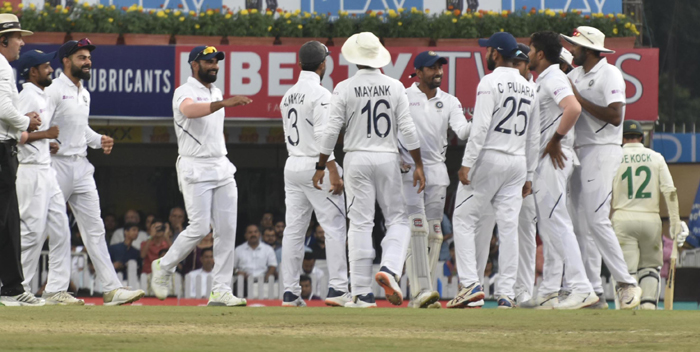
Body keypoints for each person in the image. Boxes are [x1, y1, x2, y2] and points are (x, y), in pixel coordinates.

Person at [314, 32, 425, 308]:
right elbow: (408, 130)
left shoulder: (343, 87)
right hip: (387, 157)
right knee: (398, 219)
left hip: (356, 158)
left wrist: (320, 165)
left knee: (361, 223)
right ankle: (389, 269)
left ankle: (362, 292)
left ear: (355, 58)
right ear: (379, 58)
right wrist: (419, 163)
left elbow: (330, 132)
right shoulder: (395, 86)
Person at [150, 45, 252, 307]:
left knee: (227, 231)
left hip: (221, 166)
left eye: (216, 61)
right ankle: (164, 265)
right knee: (199, 227)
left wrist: (220, 100)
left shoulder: (214, 90)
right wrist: (224, 103)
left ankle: (220, 290)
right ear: (195, 65)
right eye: (208, 61)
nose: (214, 65)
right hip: (195, 167)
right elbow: (188, 111)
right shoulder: (184, 91)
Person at [45, 38, 144, 305]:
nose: (88, 62)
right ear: (66, 60)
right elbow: (39, 125)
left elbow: (80, 129)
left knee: (95, 228)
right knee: (49, 228)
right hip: (56, 167)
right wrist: (46, 143)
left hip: (81, 165)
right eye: (82, 58)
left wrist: (98, 139)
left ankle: (111, 289)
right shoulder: (53, 90)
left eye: (88, 58)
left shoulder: (84, 92)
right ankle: (49, 290)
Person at [447, 32, 539, 309]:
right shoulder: (528, 86)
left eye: (488, 50)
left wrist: (466, 163)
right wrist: (530, 175)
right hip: (517, 160)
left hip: (490, 156)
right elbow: (533, 137)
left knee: (462, 218)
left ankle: (470, 284)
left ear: (497, 53)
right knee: (508, 226)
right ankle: (507, 293)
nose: (485, 53)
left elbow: (480, 128)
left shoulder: (489, 81)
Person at [561, 26, 642, 309]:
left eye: (576, 46)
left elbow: (616, 116)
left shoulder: (610, 73)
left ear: (590, 49)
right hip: (578, 152)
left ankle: (626, 283)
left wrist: (579, 99)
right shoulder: (574, 75)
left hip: (603, 150)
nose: (571, 49)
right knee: (581, 226)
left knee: (596, 220)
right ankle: (594, 291)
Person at [518, 31, 598, 310]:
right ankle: (551, 290)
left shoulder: (553, 77)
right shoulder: (547, 79)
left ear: (540, 54)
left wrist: (555, 140)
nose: (527, 55)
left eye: (529, 50)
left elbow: (573, 108)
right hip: (548, 160)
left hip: (553, 158)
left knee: (558, 223)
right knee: (551, 226)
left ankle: (582, 288)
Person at [279, 41, 351, 308]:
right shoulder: (322, 94)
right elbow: (323, 135)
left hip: (293, 163)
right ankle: (338, 289)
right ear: (323, 64)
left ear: (299, 64)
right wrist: (331, 169)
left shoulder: (287, 96)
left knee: (294, 231)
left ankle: (290, 293)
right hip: (315, 165)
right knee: (333, 227)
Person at [401, 51, 471, 309]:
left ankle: (424, 294)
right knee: (417, 227)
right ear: (418, 72)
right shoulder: (404, 96)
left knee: (436, 234)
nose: (438, 72)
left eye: (440, 67)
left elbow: (463, 131)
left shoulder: (450, 101)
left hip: (437, 170)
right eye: (432, 68)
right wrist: (399, 157)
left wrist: (484, 122)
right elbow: (394, 131)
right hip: (409, 169)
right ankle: (420, 291)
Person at [15, 49, 84, 305]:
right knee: (32, 232)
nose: (50, 69)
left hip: (45, 168)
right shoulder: (26, 97)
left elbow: (32, 134)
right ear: (33, 72)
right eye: (45, 66)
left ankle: (55, 289)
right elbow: (14, 135)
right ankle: (16, 288)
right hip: (30, 170)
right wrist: (44, 136)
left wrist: (47, 143)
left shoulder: (41, 94)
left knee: (61, 228)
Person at [611, 120, 688, 310]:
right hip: (650, 219)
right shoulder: (656, 157)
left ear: (622, 138)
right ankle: (648, 308)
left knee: (626, 271)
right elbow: (670, 191)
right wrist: (675, 223)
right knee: (650, 267)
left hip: (622, 218)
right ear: (642, 137)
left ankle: (628, 310)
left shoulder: (613, 157)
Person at [0, 14, 44, 306]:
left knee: (9, 224)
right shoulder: (1, 66)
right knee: (5, 222)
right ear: (3, 39)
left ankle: (13, 287)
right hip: (2, 150)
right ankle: (13, 287)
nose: (22, 42)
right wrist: (25, 122)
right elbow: (3, 109)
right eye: (17, 37)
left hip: (6, 149)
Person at [509, 42, 539, 305]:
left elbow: (534, 140)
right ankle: (484, 287)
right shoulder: (501, 84)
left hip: (529, 171)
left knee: (527, 230)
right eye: (513, 63)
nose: (516, 68)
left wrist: (530, 174)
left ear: (527, 64)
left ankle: (524, 291)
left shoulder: (536, 90)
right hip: (504, 167)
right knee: (495, 227)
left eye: (520, 63)